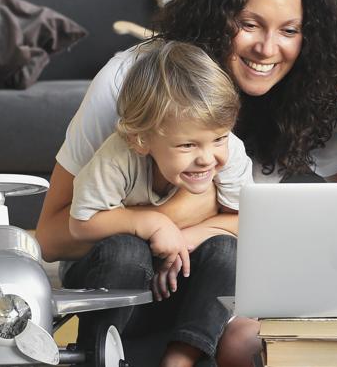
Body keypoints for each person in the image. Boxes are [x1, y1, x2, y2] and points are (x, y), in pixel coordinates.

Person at [34, 0, 337, 367]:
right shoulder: (131, 82)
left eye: (289, 30)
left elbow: (317, 231)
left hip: (212, 287)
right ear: (217, 15)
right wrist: (168, 219)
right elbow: (53, 237)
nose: (266, 48)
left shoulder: (313, 99)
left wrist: (191, 233)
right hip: (119, 277)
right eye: (249, 24)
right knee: (133, 255)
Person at [68, 39, 252, 367]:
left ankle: (180, 358)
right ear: (141, 140)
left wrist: (190, 235)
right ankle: (98, 354)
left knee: (227, 249)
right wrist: (152, 223)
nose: (207, 158)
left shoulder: (231, 151)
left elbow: (248, 222)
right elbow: (81, 223)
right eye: (187, 145)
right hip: (109, 285)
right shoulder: (118, 156)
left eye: (219, 139)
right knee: (127, 249)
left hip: (177, 285)